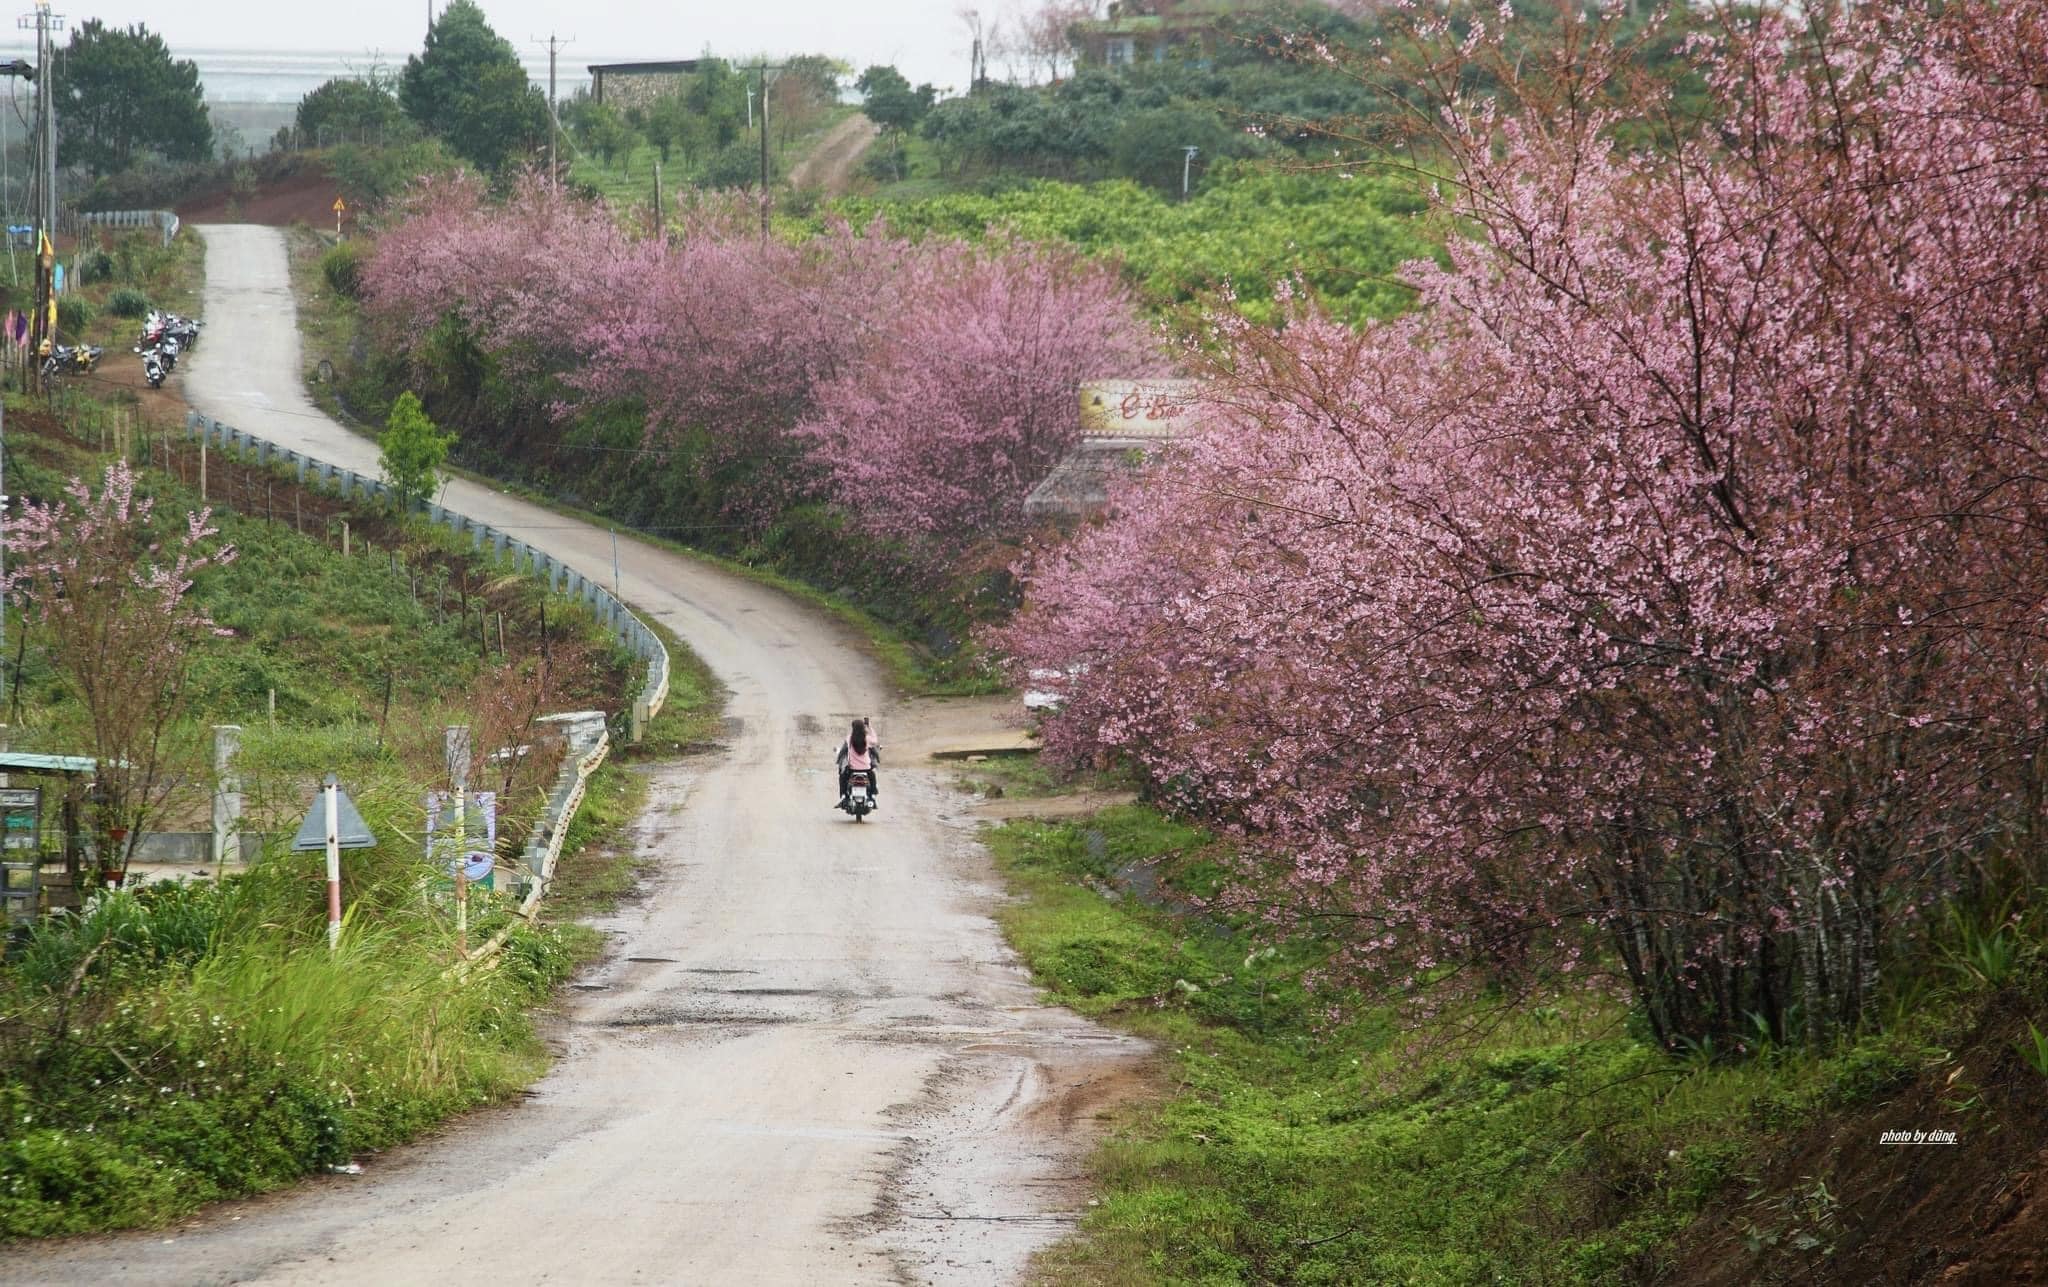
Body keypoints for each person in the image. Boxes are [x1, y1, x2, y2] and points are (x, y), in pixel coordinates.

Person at [837, 718, 879, 804]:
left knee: (842, 777)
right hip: (866, 768)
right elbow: (875, 740)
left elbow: (843, 750)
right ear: (863, 728)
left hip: (853, 769)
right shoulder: (867, 739)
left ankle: (844, 795)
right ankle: (873, 794)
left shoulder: (849, 738)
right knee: (872, 777)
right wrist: (869, 726)